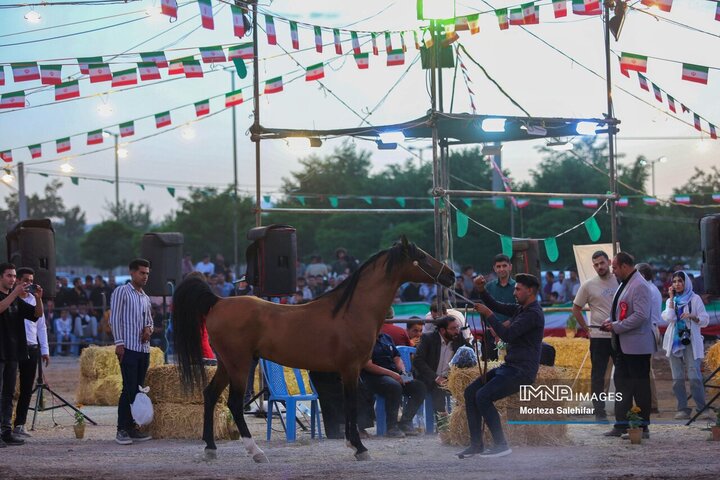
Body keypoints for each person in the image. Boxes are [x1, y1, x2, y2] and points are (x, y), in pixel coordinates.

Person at [459, 273, 544, 458]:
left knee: (482, 396)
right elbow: (497, 305)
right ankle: (476, 444)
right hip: (511, 367)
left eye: (518, 289)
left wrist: (488, 314)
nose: (514, 292)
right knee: (471, 392)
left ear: (530, 291)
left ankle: (501, 444)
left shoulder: (533, 314)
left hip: (521, 371)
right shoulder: (521, 309)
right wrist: (482, 291)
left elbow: (507, 335)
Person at [600, 252, 656, 439]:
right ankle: (621, 425)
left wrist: (616, 326)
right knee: (622, 385)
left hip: (637, 347)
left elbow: (640, 316)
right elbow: (621, 311)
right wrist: (610, 321)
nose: (613, 271)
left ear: (625, 266)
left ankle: (642, 427)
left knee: (639, 387)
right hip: (624, 346)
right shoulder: (626, 283)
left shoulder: (639, 285)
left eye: (614, 267)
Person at [110, 258, 154, 445]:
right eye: (141, 273)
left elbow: (150, 321)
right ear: (132, 272)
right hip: (128, 347)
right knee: (128, 388)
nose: (145, 277)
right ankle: (122, 429)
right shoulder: (122, 292)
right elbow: (115, 318)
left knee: (138, 389)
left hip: (143, 349)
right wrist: (119, 344)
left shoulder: (145, 297)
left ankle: (132, 427)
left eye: (147, 274)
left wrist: (148, 329)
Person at [571, 250, 619, 422]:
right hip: (598, 335)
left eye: (602, 263)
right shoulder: (588, 285)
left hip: (619, 333)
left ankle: (622, 412)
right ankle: (599, 413)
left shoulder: (620, 280)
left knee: (621, 374)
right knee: (598, 375)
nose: (600, 266)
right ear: (593, 266)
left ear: (608, 262)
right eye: (596, 264)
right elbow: (575, 308)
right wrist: (586, 329)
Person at [0, 262, 43, 446]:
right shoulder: (11, 297)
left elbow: (36, 314)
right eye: (9, 275)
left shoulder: (16, 298)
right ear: (1, 277)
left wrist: (39, 298)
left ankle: (6, 431)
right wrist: (15, 293)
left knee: (8, 393)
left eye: (13, 276)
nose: (12, 279)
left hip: (12, 353)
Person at [661, 270, 710, 420]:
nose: (677, 284)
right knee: (677, 377)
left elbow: (705, 320)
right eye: (674, 281)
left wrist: (692, 316)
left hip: (690, 341)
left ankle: (702, 408)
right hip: (674, 341)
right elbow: (668, 318)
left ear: (686, 282)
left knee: (694, 374)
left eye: (680, 281)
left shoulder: (695, 299)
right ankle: (682, 408)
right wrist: (670, 299)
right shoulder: (672, 300)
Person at [359, 332, 427, 438]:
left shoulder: (386, 337)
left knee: (419, 387)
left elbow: (397, 357)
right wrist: (393, 375)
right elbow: (368, 365)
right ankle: (391, 427)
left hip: (394, 374)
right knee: (394, 386)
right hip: (374, 377)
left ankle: (405, 421)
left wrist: (403, 372)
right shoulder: (365, 339)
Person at [12, 268, 50, 439]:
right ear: (17, 281)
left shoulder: (35, 301)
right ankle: (5, 423)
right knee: (9, 387)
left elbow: (41, 326)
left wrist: (45, 350)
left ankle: (20, 424)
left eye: (31, 280)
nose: (28, 283)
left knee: (27, 387)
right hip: (13, 347)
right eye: (25, 280)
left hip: (32, 346)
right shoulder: (11, 300)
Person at [413, 316, 468, 414]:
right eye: (453, 328)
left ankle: (463, 418)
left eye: (458, 327)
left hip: (448, 380)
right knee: (438, 388)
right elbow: (418, 361)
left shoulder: (457, 338)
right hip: (428, 378)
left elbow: (470, 353)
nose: (457, 331)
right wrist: (436, 378)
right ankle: (443, 422)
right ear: (442, 330)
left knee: (468, 388)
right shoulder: (428, 338)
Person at [636, 263, 662, 414]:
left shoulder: (647, 289)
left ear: (643, 275)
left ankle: (651, 403)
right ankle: (651, 403)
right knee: (646, 369)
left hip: (648, 329)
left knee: (645, 369)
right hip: (651, 328)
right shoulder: (652, 289)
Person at [484, 254, 517, 361]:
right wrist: (493, 328)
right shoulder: (488, 287)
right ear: (494, 268)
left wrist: (503, 326)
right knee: (490, 365)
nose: (501, 269)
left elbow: (521, 312)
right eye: (498, 266)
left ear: (510, 267)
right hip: (491, 334)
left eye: (504, 266)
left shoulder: (518, 287)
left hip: (513, 333)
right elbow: (485, 310)